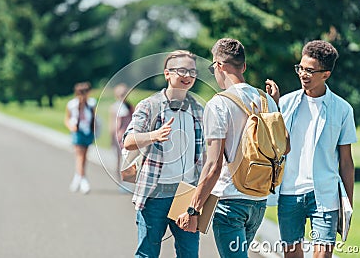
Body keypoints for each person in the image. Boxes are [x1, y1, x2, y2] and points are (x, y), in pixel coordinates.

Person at [176, 38, 281, 258]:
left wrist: (193, 209)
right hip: (259, 200)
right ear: (243, 66)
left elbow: (214, 165)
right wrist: (274, 104)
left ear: (219, 65)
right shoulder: (268, 100)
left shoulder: (219, 104)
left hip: (230, 201)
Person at [272, 40, 357, 258]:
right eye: (300, 68)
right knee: (291, 255)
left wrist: (347, 203)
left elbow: (346, 162)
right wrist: (273, 109)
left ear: (325, 74)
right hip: (289, 192)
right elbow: (274, 144)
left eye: (310, 70)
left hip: (325, 194)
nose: (302, 74)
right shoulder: (285, 102)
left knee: (322, 256)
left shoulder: (342, 109)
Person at [123, 50, 205, 258]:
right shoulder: (149, 105)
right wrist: (154, 135)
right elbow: (129, 141)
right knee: (147, 254)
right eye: (182, 70)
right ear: (167, 73)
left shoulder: (199, 109)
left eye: (192, 72)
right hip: (155, 195)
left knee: (189, 255)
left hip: (187, 195)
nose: (187, 76)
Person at [64, 82, 97, 194]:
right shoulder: (72, 105)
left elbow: (93, 117)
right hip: (77, 132)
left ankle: (77, 177)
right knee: (79, 156)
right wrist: (71, 126)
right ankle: (83, 180)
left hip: (87, 132)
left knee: (84, 157)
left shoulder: (91, 104)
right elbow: (67, 119)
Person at [109, 83, 134, 182]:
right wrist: (112, 138)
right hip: (118, 137)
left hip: (128, 136)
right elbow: (112, 124)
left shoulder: (129, 107)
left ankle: (128, 180)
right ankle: (119, 180)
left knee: (128, 160)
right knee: (119, 159)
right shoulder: (114, 107)